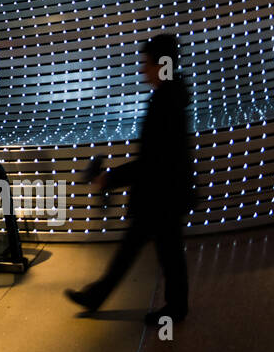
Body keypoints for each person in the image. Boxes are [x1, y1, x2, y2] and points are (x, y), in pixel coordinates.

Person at [66, 33, 195, 326]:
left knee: (165, 253)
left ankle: (175, 310)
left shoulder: (165, 102)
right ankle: (100, 296)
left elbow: (154, 159)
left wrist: (110, 178)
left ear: (161, 64)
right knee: (148, 251)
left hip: (161, 195)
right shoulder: (171, 96)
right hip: (163, 192)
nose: (143, 70)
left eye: (146, 63)